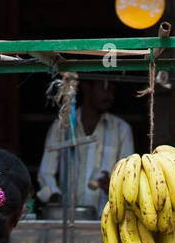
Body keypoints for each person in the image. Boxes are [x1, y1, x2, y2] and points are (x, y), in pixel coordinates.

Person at [37, 80, 134, 213]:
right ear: (86, 88)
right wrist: (54, 194)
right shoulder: (61, 128)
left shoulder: (121, 129)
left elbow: (129, 179)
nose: (109, 96)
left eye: (112, 89)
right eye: (104, 88)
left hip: (107, 218)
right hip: (67, 218)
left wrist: (113, 186)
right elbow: (46, 172)